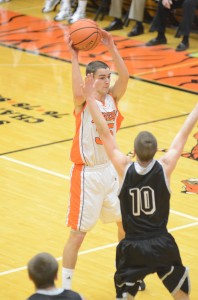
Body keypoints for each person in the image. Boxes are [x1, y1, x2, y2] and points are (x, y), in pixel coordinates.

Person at [83, 74, 198, 299]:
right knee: (182, 295)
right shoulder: (164, 167)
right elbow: (183, 135)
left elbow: (105, 133)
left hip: (133, 245)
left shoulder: (125, 168)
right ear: (157, 152)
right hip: (161, 242)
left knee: (125, 295)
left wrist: (89, 97)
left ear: (133, 152)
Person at [62, 29, 145, 292]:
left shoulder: (112, 99)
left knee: (125, 224)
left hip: (110, 172)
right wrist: (74, 55)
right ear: (90, 79)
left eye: (108, 77)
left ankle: (126, 273)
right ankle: (65, 288)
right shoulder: (83, 103)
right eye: (102, 77)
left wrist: (111, 46)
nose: (107, 81)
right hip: (86, 175)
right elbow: (77, 88)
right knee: (78, 234)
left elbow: (126, 76)